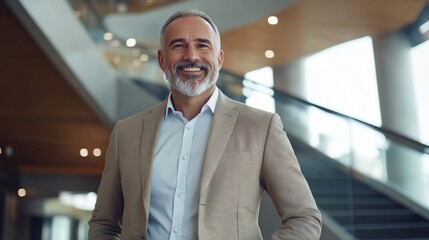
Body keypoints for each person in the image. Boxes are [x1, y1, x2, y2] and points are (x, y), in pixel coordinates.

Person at [88, 9, 321, 240]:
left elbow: (303, 217)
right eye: (178, 45)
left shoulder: (260, 127)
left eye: (202, 45)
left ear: (219, 58)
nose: (191, 56)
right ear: (161, 59)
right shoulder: (126, 132)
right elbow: (104, 224)